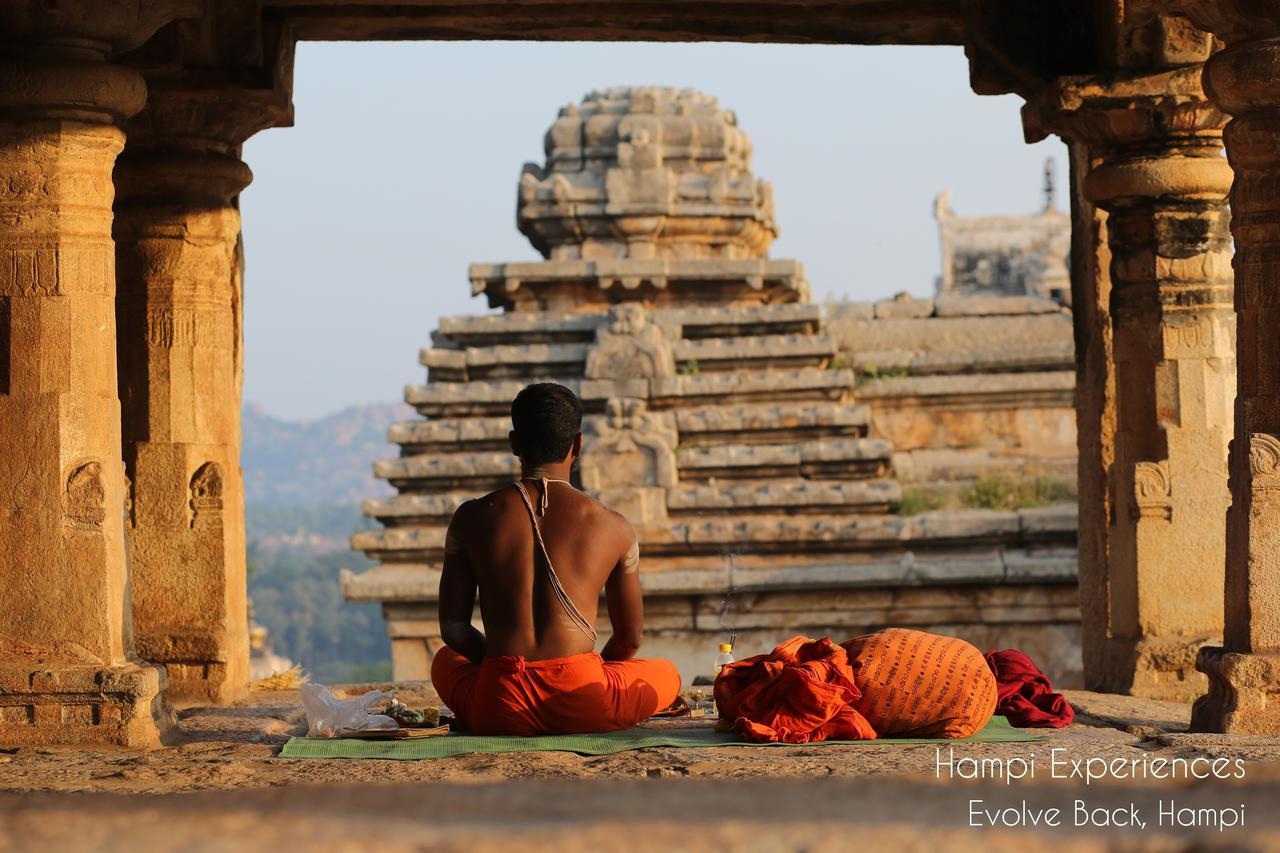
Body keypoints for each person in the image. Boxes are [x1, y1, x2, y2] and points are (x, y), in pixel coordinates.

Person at [430, 382, 682, 735]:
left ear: (514, 443)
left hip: (499, 706)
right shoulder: (614, 526)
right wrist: (581, 677)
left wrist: (500, 668)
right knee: (666, 673)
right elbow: (629, 639)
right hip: (583, 701)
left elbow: (453, 630)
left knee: (444, 661)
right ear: (578, 445)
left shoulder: (471, 517)